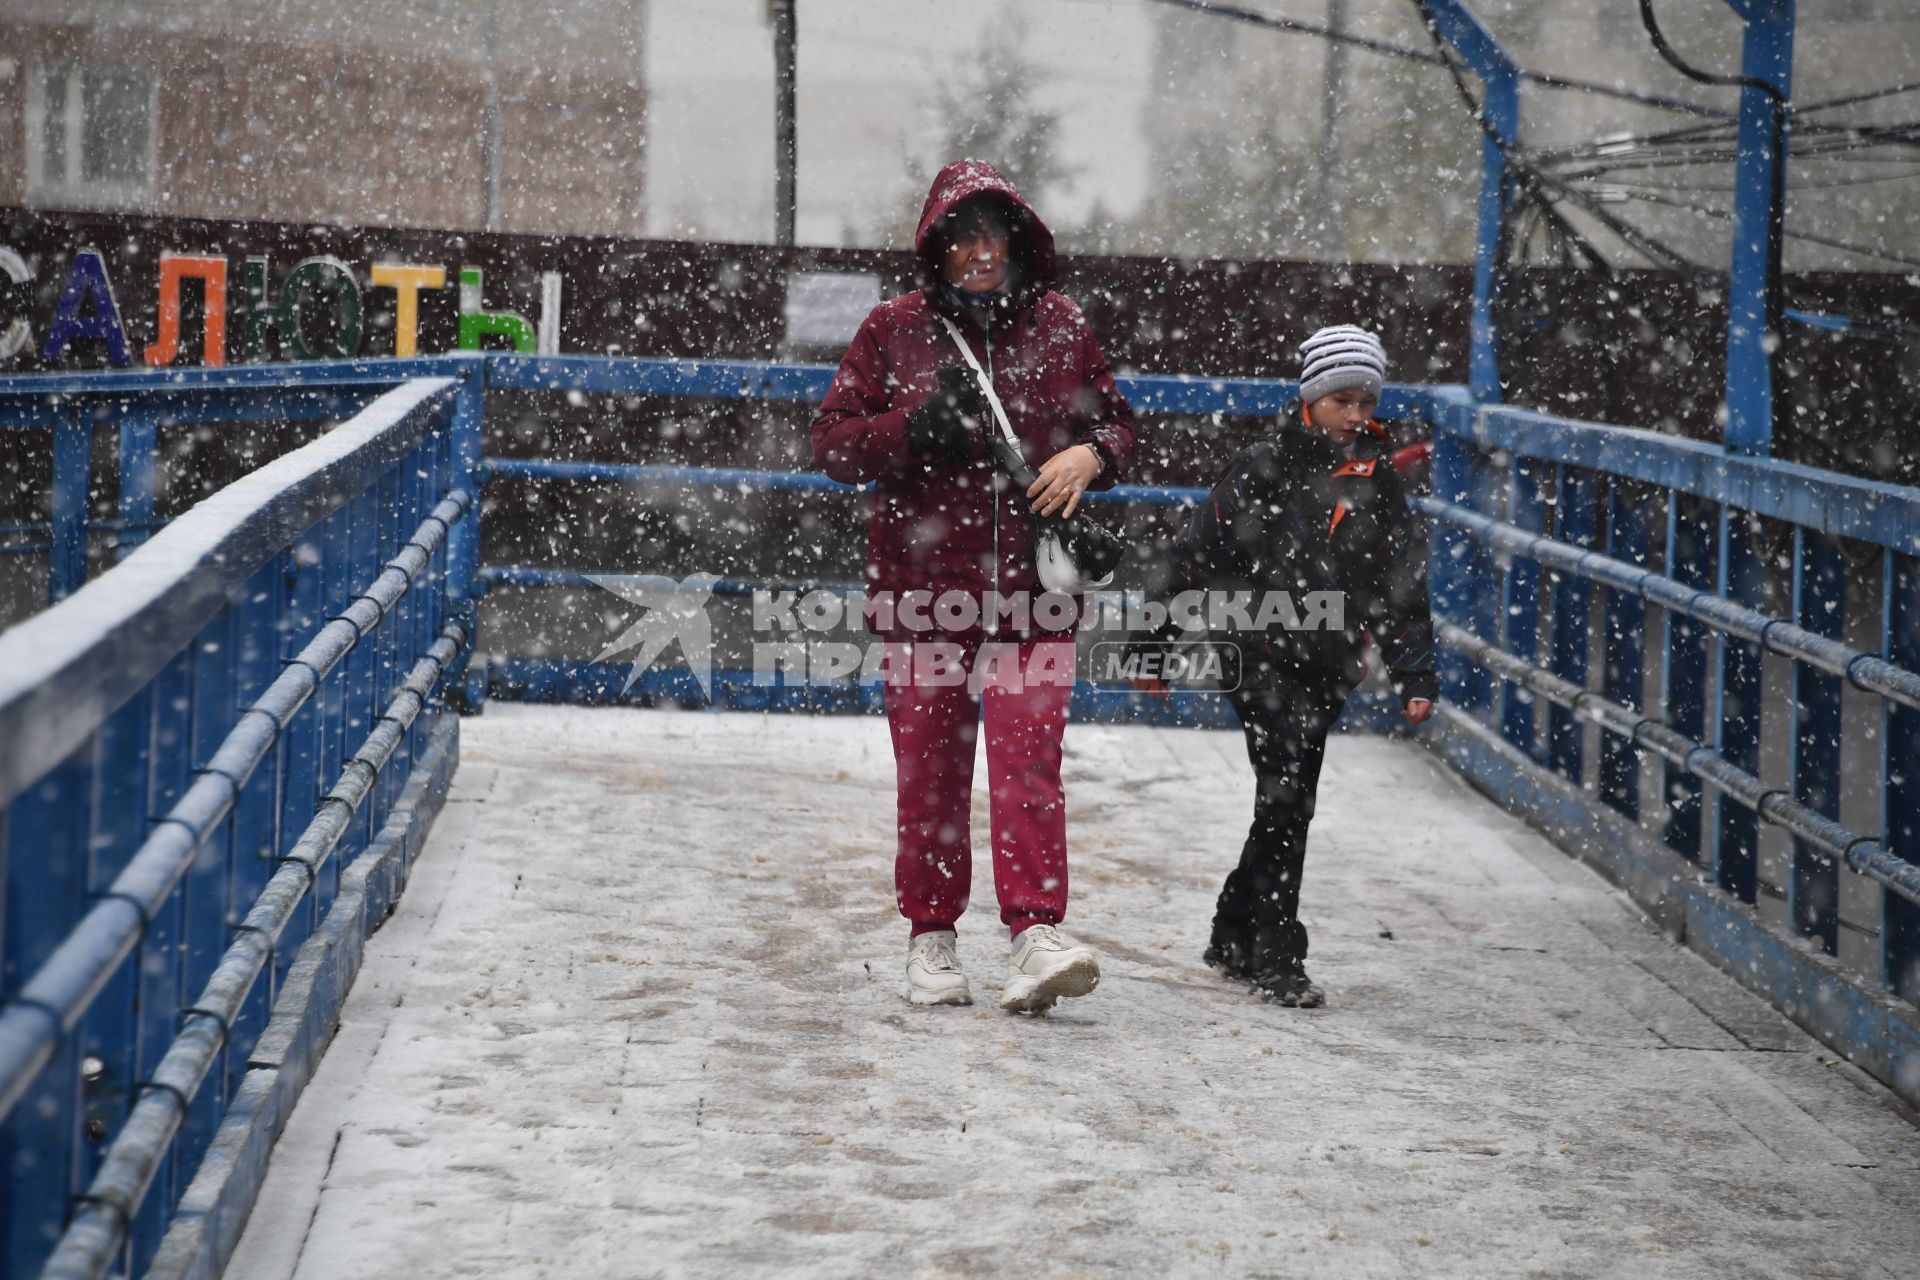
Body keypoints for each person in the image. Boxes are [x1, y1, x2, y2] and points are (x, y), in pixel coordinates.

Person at [810, 159, 1137, 1013]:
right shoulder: (892, 331)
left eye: (994, 233)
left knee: (1029, 762)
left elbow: (1120, 422)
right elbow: (832, 443)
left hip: (1036, 595)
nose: (981, 251)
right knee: (932, 770)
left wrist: (1091, 454)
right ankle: (932, 936)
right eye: (963, 236)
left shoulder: (1062, 326)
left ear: (1019, 241)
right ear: (937, 247)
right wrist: (911, 430)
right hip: (924, 594)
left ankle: (1035, 931)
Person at [1151, 324, 1436, 1007]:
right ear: (1311, 399)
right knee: (1286, 798)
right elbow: (1194, 554)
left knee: (1288, 805)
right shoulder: (1262, 466)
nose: (1357, 416)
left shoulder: (1381, 481)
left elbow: (1399, 581)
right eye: (1343, 400)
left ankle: (1232, 926)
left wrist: (1415, 671)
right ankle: (1278, 954)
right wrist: (1152, 642)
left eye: (1367, 402)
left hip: (1328, 663)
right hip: (1258, 654)